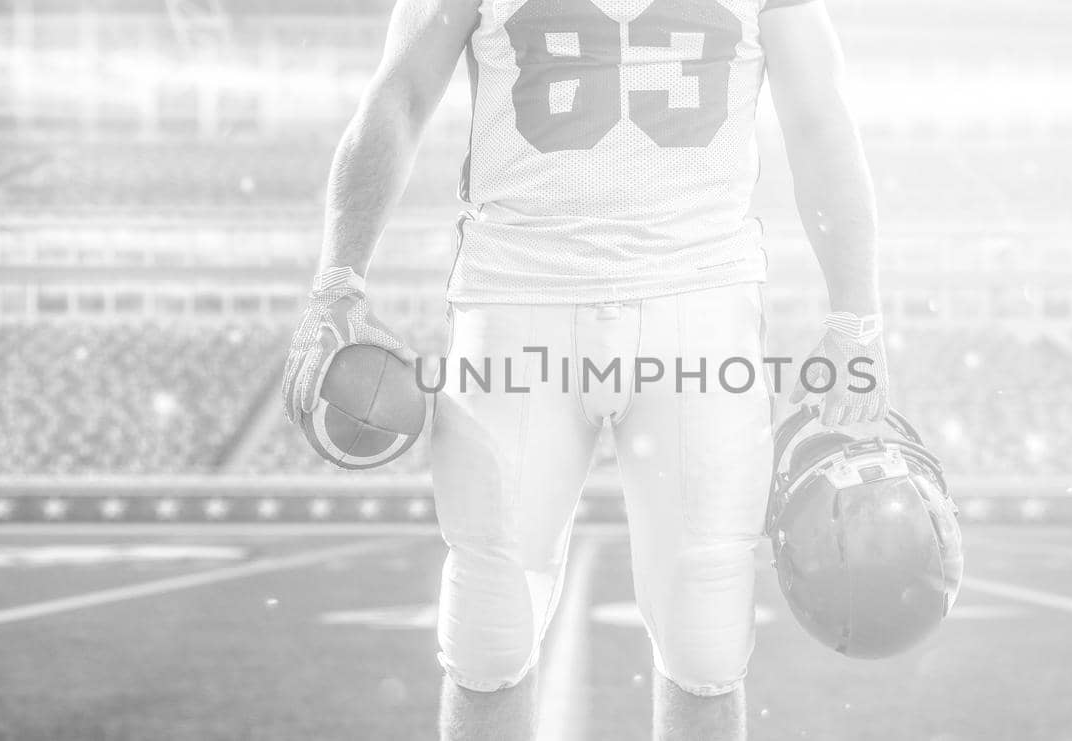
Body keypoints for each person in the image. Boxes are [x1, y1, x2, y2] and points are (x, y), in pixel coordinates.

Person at [283, 0, 889, 738]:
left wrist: (856, 318)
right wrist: (337, 280)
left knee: (706, 636)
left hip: (697, 305)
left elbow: (820, 121)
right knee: (488, 630)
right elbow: (401, 93)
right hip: (516, 296)